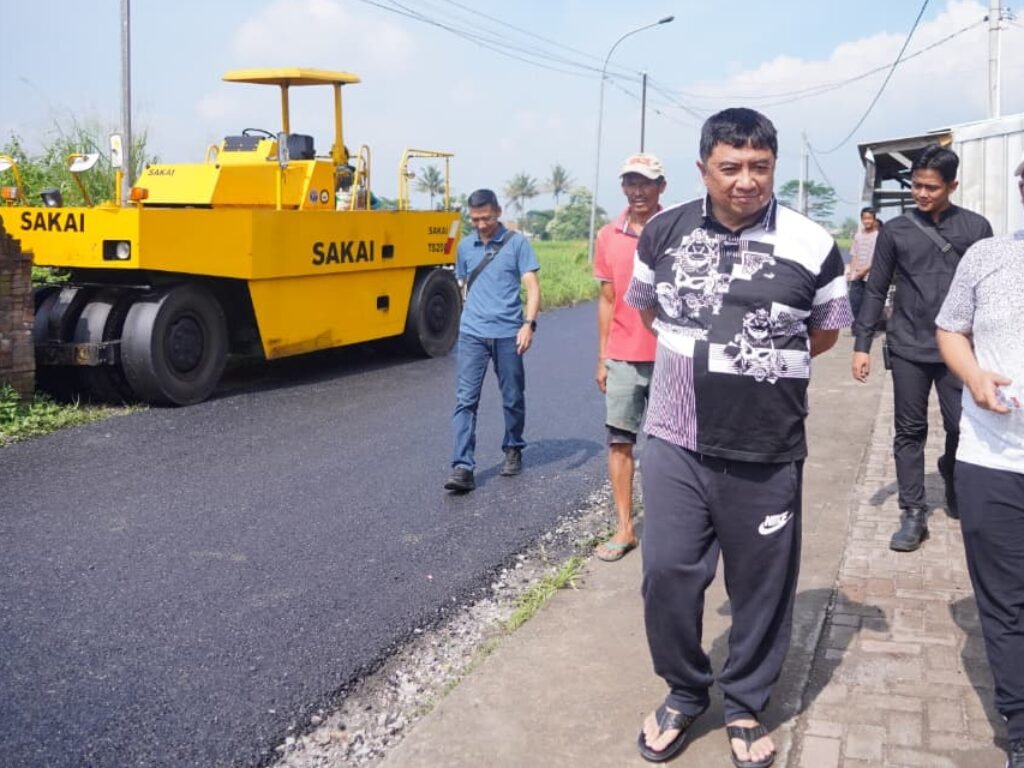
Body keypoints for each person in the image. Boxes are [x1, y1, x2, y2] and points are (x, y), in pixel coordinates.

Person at [625, 108, 851, 766]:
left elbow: (826, 330)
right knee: (667, 572)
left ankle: (747, 703)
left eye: (759, 167)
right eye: (730, 168)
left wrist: (752, 365)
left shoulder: (812, 242)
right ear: (703, 170)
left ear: (773, 167)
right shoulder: (663, 231)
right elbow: (646, 307)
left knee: (760, 586)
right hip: (674, 437)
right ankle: (684, 691)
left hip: (766, 444)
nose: (746, 181)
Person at [851, 144, 993, 552]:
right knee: (909, 430)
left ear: (952, 185)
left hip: (959, 350)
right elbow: (876, 289)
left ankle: (951, 474)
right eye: (916, 186)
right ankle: (913, 512)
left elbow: (988, 290)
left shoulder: (975, 228)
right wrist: (862, 345)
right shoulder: (896, 230)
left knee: (960, 427)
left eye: (931, 187)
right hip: (909, 344)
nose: (922, 193)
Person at [935, 152, 1024, 768]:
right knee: (1005, 605)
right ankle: (1020, 729)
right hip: (993, 460)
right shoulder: (988, 256)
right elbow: (950, 329)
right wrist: (971, 376)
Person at [444, 189, 541, 492]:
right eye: (475, 219)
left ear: (497, 212)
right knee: (465, 401)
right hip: (472, 334)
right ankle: (462, 467)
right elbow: (463, 285)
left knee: (512, 396)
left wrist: (528, 324)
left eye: (486, 218)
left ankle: (513, 447)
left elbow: (532, 286)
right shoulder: (464, 247)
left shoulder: (517, 244)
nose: (481, 224)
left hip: (508, 333)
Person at [592, 153, 664, 562]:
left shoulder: (675, 229)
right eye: (631, 182)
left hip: (670, 354)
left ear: (661, 187)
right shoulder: (608, 236)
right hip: (622, 355)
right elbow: (606, 299)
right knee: (620, 441)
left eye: (646, 183)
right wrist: (602, 357)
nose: (637, 190)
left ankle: (673, 522)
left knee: (671, 446)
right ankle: (625, 527)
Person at [846, 207, 880, 321]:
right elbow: (854, 254)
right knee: (854, 302)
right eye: (865, 218)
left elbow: (877, 258)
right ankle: (856, 327)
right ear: (861, 220)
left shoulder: (878, 236)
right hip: (857, 275)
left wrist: (864, 271)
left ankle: (865, 328)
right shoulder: (858, 236)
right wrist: (852, 272)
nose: (867, 221)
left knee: (869, 304)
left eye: (870, 218)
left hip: (870, 276)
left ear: (874, 220)